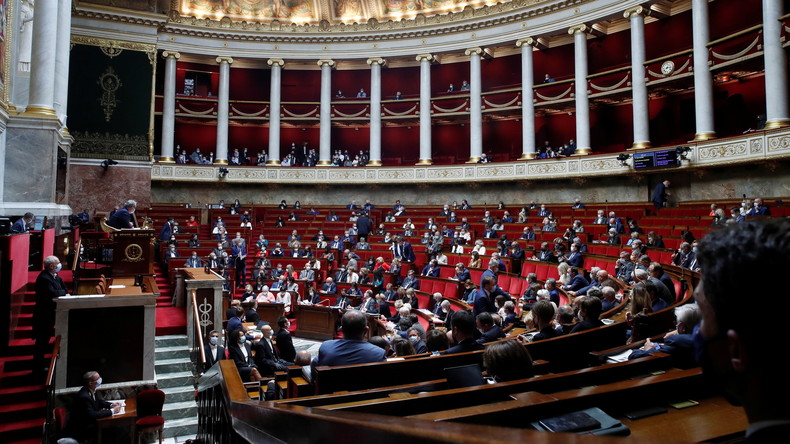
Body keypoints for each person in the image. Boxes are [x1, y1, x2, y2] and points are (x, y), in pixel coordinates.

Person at [311, 310, 387, 370]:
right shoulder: (378, 354)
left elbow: (315, 371)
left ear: (341, 329)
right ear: (366, 330)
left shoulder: (326, 347)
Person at [33, 256, 69, 375]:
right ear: (52, 266)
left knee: (45, 339)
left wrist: (63, 292)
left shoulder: (55, 276)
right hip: (43, 315)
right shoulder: (44, 278)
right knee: (42, 341)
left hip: (52, 312)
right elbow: (52, 293)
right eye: (58, 263)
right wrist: (63, 293)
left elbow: (64, 288)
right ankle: (37, 367)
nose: (59, 265)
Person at [68, 371, 121, 442]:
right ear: (90, 383)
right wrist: (113, 411)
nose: (100, 380)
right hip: (85, 428)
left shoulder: (90, 390)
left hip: (92, 423)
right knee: (113, 430)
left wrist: (111, 405)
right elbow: (92, 414)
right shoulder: (84, 397)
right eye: (98, 379)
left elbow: (98, 402)